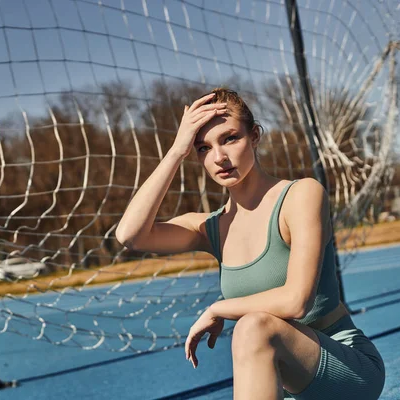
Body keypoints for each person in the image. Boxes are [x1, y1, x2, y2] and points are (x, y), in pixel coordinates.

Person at [115, 89, 385, 399]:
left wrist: (219, 308)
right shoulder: (210, 227)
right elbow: (130, 236)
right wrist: (177, 150)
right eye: (203, 148)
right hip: (293, 387)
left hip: (345, 369)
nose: (219, 158)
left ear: (254, 136)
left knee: (253, 327)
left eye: (230, 138)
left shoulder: (301, 195)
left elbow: (297, 301)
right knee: (252, 328)